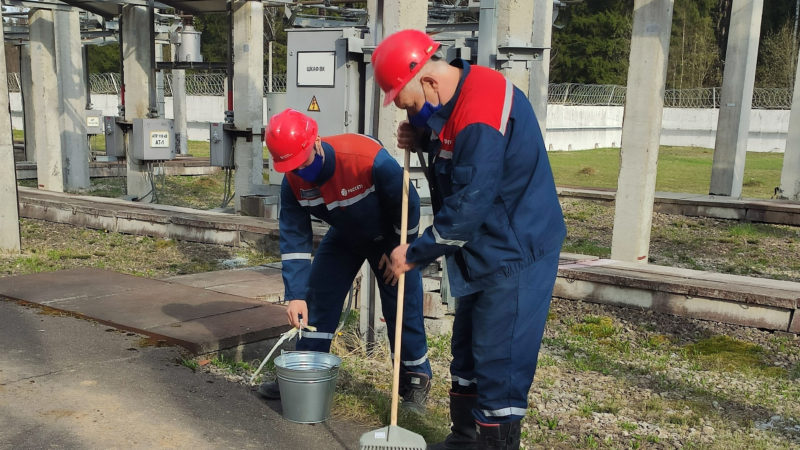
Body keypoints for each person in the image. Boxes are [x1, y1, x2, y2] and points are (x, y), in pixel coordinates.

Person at [372, 30, 566, 449]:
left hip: (515, 249)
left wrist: (415, 252)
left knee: (499, 362)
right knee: (467, 356)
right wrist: (423, 135)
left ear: (427, 82)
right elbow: (451, 148)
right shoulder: (455, 96)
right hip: (483, 246)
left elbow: (468, 206)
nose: (412, 113)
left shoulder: (480, 111)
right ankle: (464, 440)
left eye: (410, 105)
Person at [259, 108, 433, 413]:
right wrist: (296, 295)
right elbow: (295, 241)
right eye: (292, 167)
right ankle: (306, 372)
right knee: (318, 297)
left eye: (302, 163)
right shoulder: (293, 184)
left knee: (402, 303)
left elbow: (409, 204)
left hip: (389, 238)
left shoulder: (366, 158)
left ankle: (415, 381)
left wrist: (402, 250)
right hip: (345, 235)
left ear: (315, 142)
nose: (300, 173)